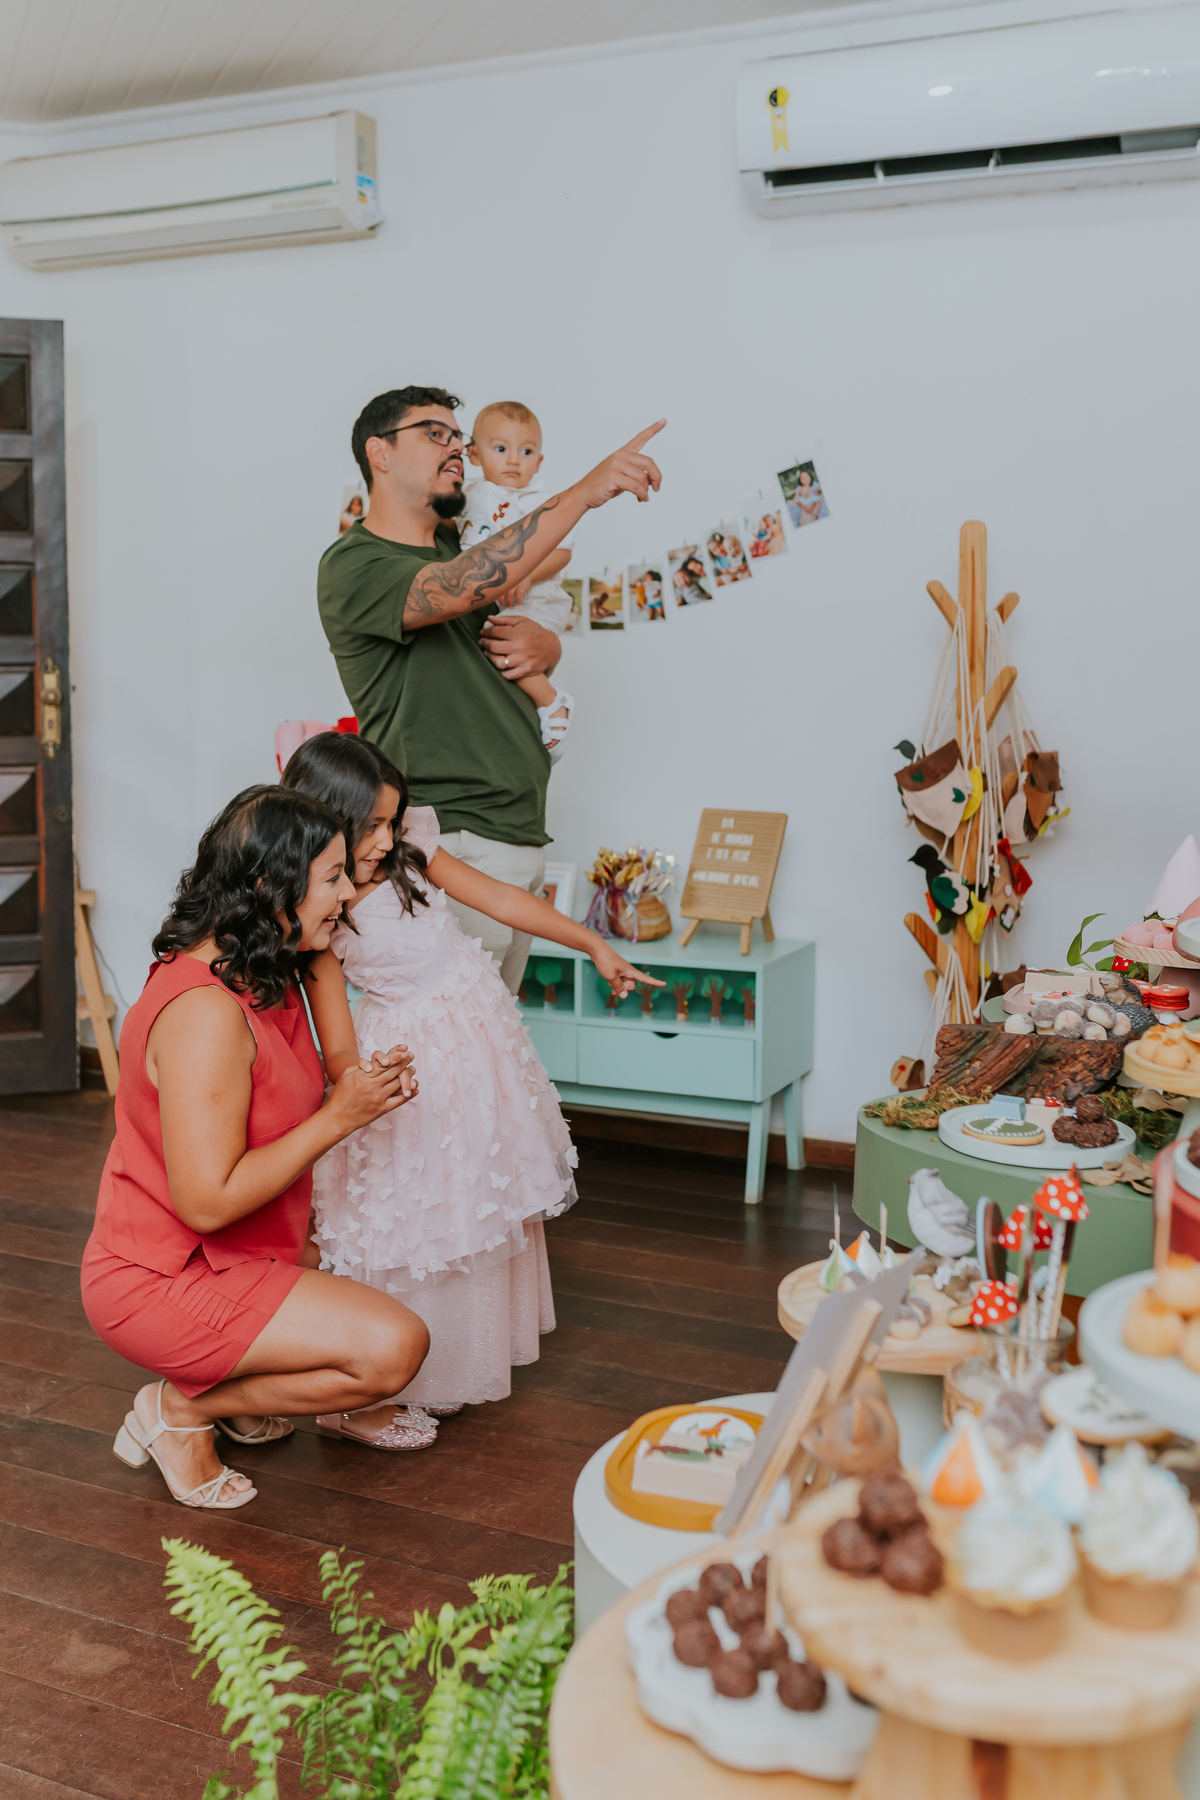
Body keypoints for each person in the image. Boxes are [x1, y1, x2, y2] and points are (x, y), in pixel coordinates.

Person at [282, 732, 663, 1438]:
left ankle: (451, 1365)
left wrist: (593, 943)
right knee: (419, 1212)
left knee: (476, 1202)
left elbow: (502, 900)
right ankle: (372, 1386)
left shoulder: (412, 852)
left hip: (479, 1060)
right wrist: (358, 1089)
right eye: (369, 826)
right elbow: (336, 1037)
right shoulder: (321, 908)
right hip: (413, 1068)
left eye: (392, 821)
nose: (384, 838)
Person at [81, 787, 434, 1512]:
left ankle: (221, 1398)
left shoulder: (267, 970)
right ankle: (180, 1413)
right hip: (162, 1276)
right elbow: (206, 1204)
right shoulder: (206, 1011)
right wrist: (342, 1117)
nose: (347, 894)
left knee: (367, 1315)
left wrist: (358, 1092)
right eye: (333, 877)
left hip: (240, 1254)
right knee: (395, 1349)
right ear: (272, 885)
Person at [317, 385, 664, 995]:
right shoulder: (354, 563)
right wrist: (584, 492)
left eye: (458, 436)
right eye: (435, 433)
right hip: (446, 839)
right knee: (448, 1055)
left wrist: (548, 646)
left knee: (495, 1044)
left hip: (516, 831)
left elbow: (508, 617)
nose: (456, 447)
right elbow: (461, 586)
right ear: (380, 453)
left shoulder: (465, 542)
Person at [459, 400, 574, 760]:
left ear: (538, 461)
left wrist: (522, 574)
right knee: (495, 656)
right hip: (494, 603)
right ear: (473, 455)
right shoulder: (467, 497)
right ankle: (534, 719)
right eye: (500, 448)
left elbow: (562, 552)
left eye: (526, 451)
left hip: (536, 599)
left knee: (504, 647)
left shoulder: (540, 502)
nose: (513, 460)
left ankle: (552, 703)